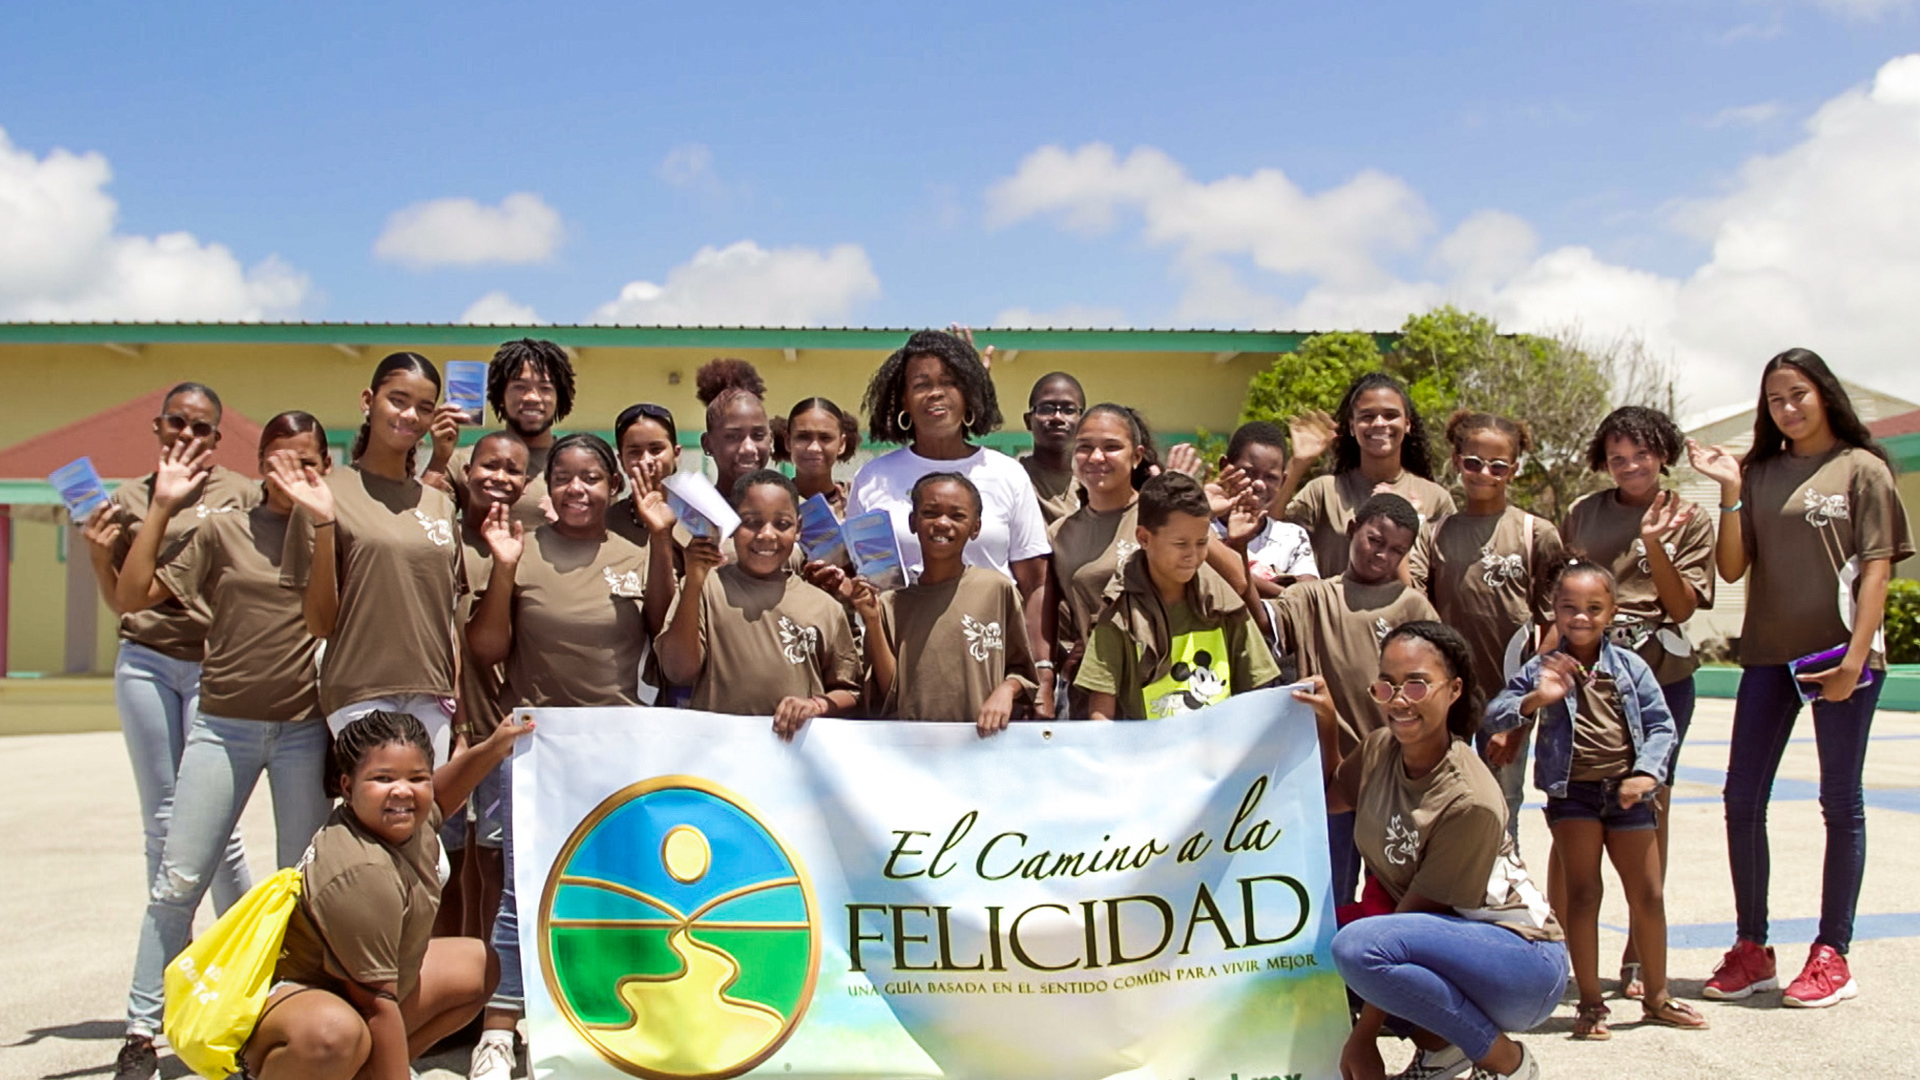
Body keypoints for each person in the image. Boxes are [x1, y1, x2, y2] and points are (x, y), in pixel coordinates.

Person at [110, 413, 335, 1080]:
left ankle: (274, 1019)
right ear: (260, 464)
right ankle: (141, 1030)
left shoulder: (331, 529)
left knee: (300, 887)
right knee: (178, 880)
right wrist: (161, 507)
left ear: (325, 467)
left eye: (307, 461)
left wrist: (322, 523)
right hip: (223, 725)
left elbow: (331, 618)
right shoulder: (222, 529)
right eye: (280, 459)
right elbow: (133, 597)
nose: (293, 473)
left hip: (302, 729)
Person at [1687, 347, 1912, 1008]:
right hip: (1768, 656)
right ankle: (1751, 949)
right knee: (1741, 798)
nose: (1787, 408)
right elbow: (1732, 568)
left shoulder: (1862, 468)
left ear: (1824, 394)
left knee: (1839, 803)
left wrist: (1855, 660)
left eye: (1798, 394)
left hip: (1840, 656)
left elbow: (1877, 572)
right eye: (1775, 399)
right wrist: (1730, 492)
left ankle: (1832, 953)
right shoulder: (1758, 473)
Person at [461, 433, 667, 1080]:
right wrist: (502, 567)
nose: (577, 488)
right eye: (564, 478)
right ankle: (499, 1032)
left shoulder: (637, 553)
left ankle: (609, 1023)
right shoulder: (518, 549)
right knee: (521, 894)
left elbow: (668, 638)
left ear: (615, 487)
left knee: (617, 891)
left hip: (618, 751)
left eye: (592, 477)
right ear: (547, 488)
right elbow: (487, 649)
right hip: (536, 751)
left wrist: (663, 541)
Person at [1298, 622, 1565, 1080]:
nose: (1399, 700)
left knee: (1357, 947)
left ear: (1453, 690)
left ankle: (1508, 1064)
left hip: (1521, 964)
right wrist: (1326, 721)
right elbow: (1329, 796)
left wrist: (1363, 1038)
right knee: (1307, 946)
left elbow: (1401, 930)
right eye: (1387, 685)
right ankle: (1443, 1049)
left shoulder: (1469, 799)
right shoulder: (1381, 749)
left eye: (1417, 684)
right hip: (1441, 943)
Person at [82, 382, 256, 1080]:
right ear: (158, 427)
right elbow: (124, 600)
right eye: (177, 423)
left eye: (201, 427)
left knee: (220, 828)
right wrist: (98, 553)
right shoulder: (127, 500)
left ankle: (243, 966)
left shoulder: (240, 495)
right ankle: (172, 980)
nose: (187, 434)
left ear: (217, 438)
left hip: (217, 662)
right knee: (162, 825)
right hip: (148, 661)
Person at [240, 711, 530, 1080]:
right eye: (383, 779)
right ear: (347, 787)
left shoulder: (398, 818)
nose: (402, 791)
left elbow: (441, 798)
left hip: (355, 989)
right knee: (334, 1034)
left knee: (477, 966)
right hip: (296, 1001)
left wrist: (493, 748)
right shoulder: (362, 871)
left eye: (416, 778)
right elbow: (377, 1003)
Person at [1487, 560, 1701, 1039]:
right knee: (1583, 895)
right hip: (1573, 796)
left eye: (1593, 608)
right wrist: (1536, 699)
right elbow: (1496, 712)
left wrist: (1646, 773)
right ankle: (1589, 1002)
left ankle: (1658, 996)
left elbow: (1661, 726)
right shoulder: (1542, 668)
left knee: (1648, 895)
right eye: (1569, 607)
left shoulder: (1630, 666)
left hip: (1627, 794)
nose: (1580, 617)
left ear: (1612, 611)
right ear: (1555, 611)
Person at [1560, 404, 1715, 998]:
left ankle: (1637, 950)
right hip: (1587, 677)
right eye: (1617, 457)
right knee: (1572, 804)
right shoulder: (1584, 512)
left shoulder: (1689, 518)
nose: (1630, 466)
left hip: (1660, 673)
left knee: (1649, 808)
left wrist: (1655, 543)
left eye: (1641, 455)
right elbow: (1563, 597)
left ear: (1663, 455)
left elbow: (1682, 606)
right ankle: (1563, 944)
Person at [273, 352, 464, 764]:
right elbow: (320, 623)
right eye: (398, 400)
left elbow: (447, 616)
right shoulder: (326, 495)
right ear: (368, 400)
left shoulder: (440, 505)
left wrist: (456, 700)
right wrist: (324, 523)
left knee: (428, 805)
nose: (410, 415)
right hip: (360, 691)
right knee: (381, 803)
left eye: (424, 407)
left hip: (433, 695)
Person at [848, 331, 1053, 702]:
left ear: (970, 391)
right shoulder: (873, 479)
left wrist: (1040, 673)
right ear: (903, 400)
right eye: (921, 384)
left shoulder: (1007, 474)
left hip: (988, 669)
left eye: (949, 382)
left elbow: (1035, 585)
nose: (936, 393)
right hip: (898, 667)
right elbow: (869, 579)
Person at [1274, 493, 1440, 905]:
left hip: (1396, 778)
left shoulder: (1413, 606)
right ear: (1352, 530)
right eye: (1374, 541)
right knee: (1333, 893)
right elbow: (1262, 620)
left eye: (1397, 550)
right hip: (1331, 779)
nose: (1382, 555)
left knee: (1395, 894)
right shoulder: (1313, 597)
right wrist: (1237, 548)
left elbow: (1441, 682)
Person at [1409, 411, 1562, 841]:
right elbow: (1414, 601)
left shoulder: (1536, 533)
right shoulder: (1434, 533)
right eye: (1474, 462)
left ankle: (1503, 880)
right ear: (1457, 461)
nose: (1484, 474)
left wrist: (1522, 711)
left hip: (1508, 696)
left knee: (1502, 806)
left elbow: (1553, 626)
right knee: (1444, 803)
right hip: (1448, 699)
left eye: (1498, 466)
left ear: (1514, 469)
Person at [657, 470, 863, 724]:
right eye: (752, 522)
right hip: (719, 744)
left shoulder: (824, 606)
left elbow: (850, 691)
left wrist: (815, 705)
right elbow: (678, 671)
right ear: (733, 524)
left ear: (799, 528)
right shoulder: (704, 588)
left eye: (782, 524)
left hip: (794, 746)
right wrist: (694, 582)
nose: (766, 534)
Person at [1075, 473, 1280, 721]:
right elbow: (1101, 713)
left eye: (1201, 543)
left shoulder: (1225, 604)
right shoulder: (1119, 614)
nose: (1192, 555)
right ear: (1144, 538)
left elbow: (1259, 691)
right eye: (1180, 544)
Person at [844, 473, 1039, 734]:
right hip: (915, 745)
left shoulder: (997, 589)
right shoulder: (891, 603)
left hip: (982, 742)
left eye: (957, 516)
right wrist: (872, 620)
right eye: (930, 513)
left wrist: (1006, 690)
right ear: (913, 522)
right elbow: (892, 692)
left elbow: (1022, 672)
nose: (943, 523)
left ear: (976, 527)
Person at [435, 431, 530, 950]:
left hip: (497, 724)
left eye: (513, 470)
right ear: (467, 471)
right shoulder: (438, 537)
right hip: (442, 723)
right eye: (490, 465)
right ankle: (438, 971)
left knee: (494, 860)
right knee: (441, 861)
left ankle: (486, 975)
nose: (500, 477)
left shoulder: (524, 546)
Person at [1281, 373, 1457, 578]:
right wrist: (1297, 465)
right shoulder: (1324, 491)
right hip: (1334, 600)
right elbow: (1269, 536)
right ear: (1352, 426)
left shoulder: (1435, 499)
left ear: (1408, 424)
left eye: (1390, 415)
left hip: (1408, 600)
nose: (1379, 423)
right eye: (1367, 416)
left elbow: (1450, 573)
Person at [1047, 405, 1158, 708]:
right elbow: (1050, 616)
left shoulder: (1162, 516)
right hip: (1096, 694)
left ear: (1136, 456)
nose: (1096, 457)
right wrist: (1063, 658)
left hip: (1165, 686)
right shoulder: (1059, 534)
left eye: (1111, 447)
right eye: (1084, 447)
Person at [426, 338, 577, 527]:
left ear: (559, 397)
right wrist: (439, 457)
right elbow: (422, 519)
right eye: (520, 387)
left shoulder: (578, 467)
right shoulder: (466, 460)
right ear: (501, 396)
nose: (532, 397)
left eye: (545, 388)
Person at [1216, 421, 1318, 596]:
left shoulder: (1291, 537)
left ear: (1283, 481)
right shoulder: (1201, 529)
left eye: (1270, 477)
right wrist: (1280, 590)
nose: (1259, 484)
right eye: (1248, 472)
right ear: (1225, 466)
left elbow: (1308, 598)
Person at [696, 358, 775, 503]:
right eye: (733, 437)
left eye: (758, 435)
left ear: (771, 440)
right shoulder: (697, 511)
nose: (748, 448)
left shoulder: (786, 509)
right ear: (707, 444)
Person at [1019, 372, 1087, 525]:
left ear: (1083, 422)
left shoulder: (1095, 482)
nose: (1057, 417)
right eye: (1046, 409)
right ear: (1028, 421)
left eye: (1069, 410)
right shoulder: (1012, 476)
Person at [774, 397, 861, 517]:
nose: (814, 448)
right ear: (788, 441)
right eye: (803, 437)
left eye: (825, 438)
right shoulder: (772, 503)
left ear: (841, 444)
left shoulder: (856, 502)